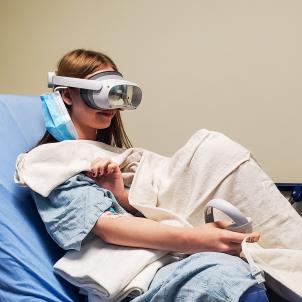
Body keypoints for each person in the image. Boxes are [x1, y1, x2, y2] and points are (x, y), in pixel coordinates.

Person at [28, 49, 269, 301]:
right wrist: (197, 239)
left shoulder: (119, 158)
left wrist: (120, 197)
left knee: (218, 153)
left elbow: (151, 209)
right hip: (133, 276)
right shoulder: (50, 162)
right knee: (224, 277)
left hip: (166, 257)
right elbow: (108, 228)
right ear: (67, 94)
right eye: (102, 90)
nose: (112, 102)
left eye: (117, 91)